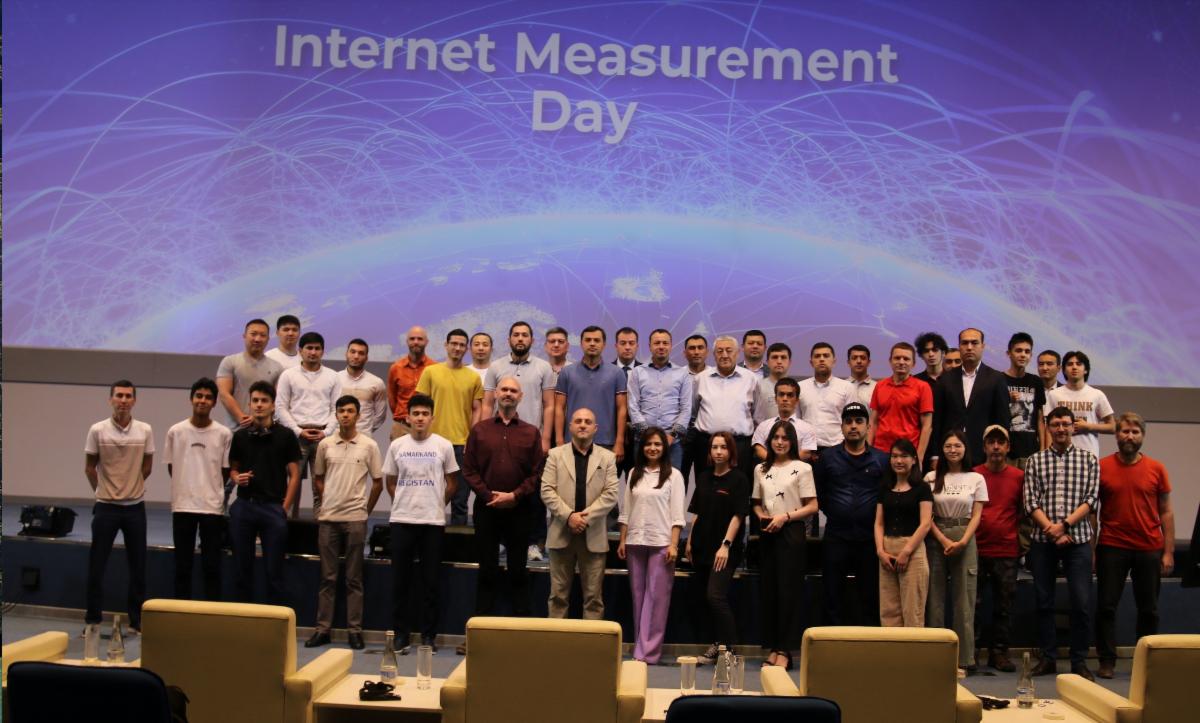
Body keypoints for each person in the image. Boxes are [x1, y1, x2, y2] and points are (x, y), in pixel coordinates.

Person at [462, 376, 547, 629]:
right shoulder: (480, 430)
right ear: (496, 394)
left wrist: (514, 496)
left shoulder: (531, 432)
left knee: (518, 570)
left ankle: (520, 630)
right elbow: (469, 469)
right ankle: (480, 630)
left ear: (521, 396)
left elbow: (537, 472)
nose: (508, 393)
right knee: (487, 570)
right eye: (504, 389)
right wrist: (489, 496)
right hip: (486, 509)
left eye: (513, 390)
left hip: (519, 510)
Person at [1095, 412, 1175, 679]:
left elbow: (1166, 511)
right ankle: (1107, 661)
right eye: (1125, 431)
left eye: (1135, 432)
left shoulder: (1157, 469)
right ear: (1117, 435)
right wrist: (1093, 549)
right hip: (1111, 545)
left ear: (1142, 436)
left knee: (1148, 609)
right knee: (1106, 607)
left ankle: (1146, 662)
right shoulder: (1102, 467)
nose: (1129, 436)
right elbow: (1092, 512)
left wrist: (1168, 552)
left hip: (1148, 547)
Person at [1024, 406, 1098, 680]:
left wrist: (1064, 526)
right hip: (1043, 541)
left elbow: (1091, 500)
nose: (1061, 429)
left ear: (1073, 426)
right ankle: (1048, 658)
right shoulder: (1035, 461)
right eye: (1055, 424)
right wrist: (1053, 530)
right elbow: (1030, 502)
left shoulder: (1089, 460)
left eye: (1066, 424)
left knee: (1081, 602)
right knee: (1044, 602)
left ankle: (1079, 661)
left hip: (1078, 540)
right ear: (1048, 427)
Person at [382, 393, 459, 653]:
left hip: (432, 522)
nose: (420, 418)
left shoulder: (443, 446)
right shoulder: (397, 446)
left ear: (432, 418)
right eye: (416, 413)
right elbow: (390, 481)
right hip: (402, 520)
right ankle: (401, 635)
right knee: (400, 582)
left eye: (425, 414)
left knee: (431, 583)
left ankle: (428, 636)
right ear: (407, 417)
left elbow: (452, 482)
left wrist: (438, 503)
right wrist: (402, 501)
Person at [306, 395, 384, 650]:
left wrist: (365, 510)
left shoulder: (369, 445)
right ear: (336, 415)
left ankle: (354, 631)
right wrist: (327, 498)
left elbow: (378, 483)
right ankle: (322, 629)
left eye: (350, 411)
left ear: (358, 415)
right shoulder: (325, 445)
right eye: (341, 411)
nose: (345, 415)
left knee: (354, 578)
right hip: (328, 519)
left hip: (355, 519)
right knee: (327, 578)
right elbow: (318, 478)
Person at [483, 322, 557, 561]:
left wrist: (546, 438)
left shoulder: (543, 367)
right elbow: (487, 404)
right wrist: (484, 435)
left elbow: (549, 405)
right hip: (500, 438)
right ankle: (502, 541)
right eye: (516, 335)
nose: (520, 339)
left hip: (531, 440)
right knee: (502, 489)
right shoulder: (496, 367)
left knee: (534, 493)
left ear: (532, 340)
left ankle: (534, 543)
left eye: (525, 335)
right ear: (509, 340)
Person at [84, 380, 154, 633]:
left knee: (138, 567)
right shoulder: (97, 430)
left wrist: (131, 485)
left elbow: (147, 466)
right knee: (97, 566)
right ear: (110, 399)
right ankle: (93, 620)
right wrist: (102, 491)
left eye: (128, 396)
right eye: (119, 396)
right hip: (106, 508)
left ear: (134, 400)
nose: (123, 400)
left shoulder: (145, 430)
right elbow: (89, 467)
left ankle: (136, 622)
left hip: (135, 508)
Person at [813, 402, 889, 624]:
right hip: (836, 536)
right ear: (842, 427)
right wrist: (838, 512)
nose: (853, 426)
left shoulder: (882, 460)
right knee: (831, 595)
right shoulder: (828, 458)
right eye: (848, 422)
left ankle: (869, 642)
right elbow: (819, 493)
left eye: (858, 421)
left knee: (870, 596)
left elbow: (886, 496)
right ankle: (831, 642)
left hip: (869, 539)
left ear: (868, 426)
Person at [541, 408, 619, 619]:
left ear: (595, 428)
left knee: (593, 599)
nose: (583, 425)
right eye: (578, 421)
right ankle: (557, 640)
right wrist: (569, 517)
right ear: (570, 426)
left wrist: (583, 519)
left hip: (593, 535)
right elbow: (546, 490)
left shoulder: (608, 458)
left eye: (587, 421)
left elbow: (611, 494)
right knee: (558, 597)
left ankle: (591, 641)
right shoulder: (555, 455)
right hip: (561, 532)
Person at [752, 422, 818, 669]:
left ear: (792, 441)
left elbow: (813, 506)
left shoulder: (802, 468)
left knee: (789, 592)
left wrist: (785, 517)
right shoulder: (761, 468)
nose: (780, 442)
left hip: (792, 531)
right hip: (768, 532)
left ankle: (785, 650)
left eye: (785, 438)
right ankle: (773, 647)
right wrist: (761, 516)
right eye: (776, 438)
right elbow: (756, 503)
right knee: (770, 591)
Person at [228, 381, 301, 605]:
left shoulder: (286, 436)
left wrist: (284, 508)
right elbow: (233, 469)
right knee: (241, 569)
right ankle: (242, 618)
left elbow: (294, 475)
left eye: (264, 401)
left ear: (272, 405)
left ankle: (274, 619)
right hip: (244, 506)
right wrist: (236, 478)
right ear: (249, 404)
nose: (259, 405)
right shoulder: (240, 436)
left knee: (274, 571)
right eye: (255, 401)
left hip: (273, 508)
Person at [617, 427, 686, 664]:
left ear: (664, 448)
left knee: (656, 599)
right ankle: (640, 646)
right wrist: (623, 539)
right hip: (635, 541)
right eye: (648, 444)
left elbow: (677, 515)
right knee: (638, 596)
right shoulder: (634, 473)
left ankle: (649, 652)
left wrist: (674, 544)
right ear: (642, 447)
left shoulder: (674, 475)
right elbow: (626, 510)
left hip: (661, 542)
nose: (653, 448)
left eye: (657, 444)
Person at [923, 429, 988, 676]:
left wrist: (963, 541)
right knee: (935, 599)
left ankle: (964, 659)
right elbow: (926, 515)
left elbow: (977, 515)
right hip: (936, 536)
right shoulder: (931, 477)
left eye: (957, 446)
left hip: (965, 536)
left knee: (964, 600)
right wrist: (941, 538)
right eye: (948, 446)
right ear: (942, 449)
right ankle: (935, 657)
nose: (953, 450)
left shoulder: (976, 478)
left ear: (965, 449)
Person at [164, 378, 231, 601]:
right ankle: (181, 612)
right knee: (182, 565)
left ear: (214, 403)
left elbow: (224, 471)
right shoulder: (176, 431)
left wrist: (208, 488)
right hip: (183, 505)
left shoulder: (223, 434)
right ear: (191, 399)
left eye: (208, 397)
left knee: (212, 566)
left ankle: (211, 613)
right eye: (199, 396)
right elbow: (172, 467)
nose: (202, 401)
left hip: (212, 508)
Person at [686, 432, 750, 664]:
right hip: (701, 547)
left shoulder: (739, 479)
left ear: (731, 451)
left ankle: (729, 650)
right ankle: (717, 644)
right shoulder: (703, 477)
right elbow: (696, 513)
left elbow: (738, 516)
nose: (719, 451)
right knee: (706, 599)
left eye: (723, 447)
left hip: (725, 550)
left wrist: (726, 545)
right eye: (714, 447)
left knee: (715, 596)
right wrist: (690, 541)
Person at [415, 328, 484, 526]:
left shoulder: (473, 377)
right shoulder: (431, 372)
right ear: (446, 345)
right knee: (428, 495)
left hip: (461, 445)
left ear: (466, 349)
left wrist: (472, 438)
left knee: (460, 499)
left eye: (462, 345)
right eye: (454, 343)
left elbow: (477, 409)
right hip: (432, 443)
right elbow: (420, 407)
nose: (457, 348)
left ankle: (457, 542)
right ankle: (426, 537)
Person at [973, 425, 1024, 672]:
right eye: (991, 442)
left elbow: (1025, 512)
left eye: (1000, 442)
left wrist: (1022, 543)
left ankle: (999, 653)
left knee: (1004, 607)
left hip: (1006, 551)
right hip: (975, 551)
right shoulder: (973, 475)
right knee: (973, 605)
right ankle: (971, 652)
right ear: (984, 447)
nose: (995, 447)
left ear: (1008, 447)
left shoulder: (1018, 476)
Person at [276, 331, 341, 518]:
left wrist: (326, 432)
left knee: (321, 484)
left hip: (323, 437)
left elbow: (336, 408)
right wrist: (297, 431)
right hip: (295, 436)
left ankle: (321, 526)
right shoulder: (288, 375)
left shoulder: (333, 376)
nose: (313, 352)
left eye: (317, 348)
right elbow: (280, 407)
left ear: (323, 351)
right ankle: (285, 523)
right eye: (309, 348)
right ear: (300, 351)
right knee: (290, 483)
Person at [874, 438, 933, 627]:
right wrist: (880, 551)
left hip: (912, 550)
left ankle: (913, 649)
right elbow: (879, 523)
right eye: (895, 456)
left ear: (914, 459)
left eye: (904, 456)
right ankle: (891, 648)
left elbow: (925, 524)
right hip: (887, 549)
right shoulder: (885, 487)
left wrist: (906, 552)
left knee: (912, 611)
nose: (899, 461)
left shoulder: (922, 488)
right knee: (888, 611)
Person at [932, 328, 1010, 467]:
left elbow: (1002, 420)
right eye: (965, 343)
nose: (969, 347)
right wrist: (935, 454)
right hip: (949, 453)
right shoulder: (945, 379)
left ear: (983, 346)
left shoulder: (996, 378)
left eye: (974, 343)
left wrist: (998, 452)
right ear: (959, 346)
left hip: (983, 454)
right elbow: (937, 420)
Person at [554, 326, 628, 464]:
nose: (592, 343)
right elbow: (559, 408)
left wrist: (619, 442)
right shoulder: (567, 372)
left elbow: (622, 409)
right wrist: (559, 440)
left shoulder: (617, 373)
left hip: (606, 442)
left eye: (596, 340)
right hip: (572, 441)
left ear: (604, 344)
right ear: (581, 343)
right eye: (588, 340)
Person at [691, 335, 758, 479]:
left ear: (737, 353)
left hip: (740, 445)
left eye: (729, 350)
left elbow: (756, 412)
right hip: (707, 444)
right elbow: (694, 411)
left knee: (739, 485)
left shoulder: (751, 379)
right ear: (714, 354)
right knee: (705, 485)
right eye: (720, 351)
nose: (725, 355)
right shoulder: (700, 379)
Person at [627, 328, 693, 470]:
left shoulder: (682, 374)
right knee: (641, 481)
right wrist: (649, 437)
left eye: (665, 343)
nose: (661, 346)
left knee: (672, 481)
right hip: (643, 441)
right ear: (650, 346)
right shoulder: (637, 372)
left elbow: (686, 408)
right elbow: (633, 406)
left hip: (672, 443)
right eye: (657, 343)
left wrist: (672, 436)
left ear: (671, 346)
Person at [868, 342, 933, 464]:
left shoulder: (923, 387)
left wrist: (919, 457)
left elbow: (927, 426)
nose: (901, 362)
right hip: (879, 451)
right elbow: (873, 422)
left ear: (913, 364)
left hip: (907, 452)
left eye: (906, 359)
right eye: (897, 358)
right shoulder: (880, 386)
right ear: (890, 361)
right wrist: (867, 451)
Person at [1043, 350, 1114, 457]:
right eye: (1070, 364)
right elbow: (1048, 427)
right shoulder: (1054, 394)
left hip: (1089, 454)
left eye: (1079, 364)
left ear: (1086, 370)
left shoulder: (1097, 394)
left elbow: (1112, 427)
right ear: (1064, 370)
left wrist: (1089, 426)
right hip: (1059, 454)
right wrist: (1048, 453)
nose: (1074, 367)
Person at [216, 318, 284, 429]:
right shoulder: (229, 361)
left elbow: (278, 399)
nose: (257, 339)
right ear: (244, 336)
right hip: (234, 429)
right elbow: (224, 394)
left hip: (265, 430)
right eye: (253, 334)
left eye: (262, 335)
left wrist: (256, 418)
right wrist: (241, 417)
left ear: (268, 339)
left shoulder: (277, 367)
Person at [798, 342, 857, 451]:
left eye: (826, 356)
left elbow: (852, 421)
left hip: (837, 449)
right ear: (811, 362)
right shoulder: (800, 387)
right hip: (806, 449)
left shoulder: (847, 387)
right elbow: (796, 420)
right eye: (817, 356)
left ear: (834, 361)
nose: (821, 359)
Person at [1002, 333, 1046, 467]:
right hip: (1005, 451)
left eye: (1027, 352)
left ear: (1031, 356)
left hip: (1030, 450)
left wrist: (1042, 448)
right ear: (1009, 353)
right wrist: (1006, 398)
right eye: (1018, 350)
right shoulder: (998, 379)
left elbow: (1040, 418)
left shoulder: (1036, 381)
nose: (1023, 355)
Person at [386, 326, 436, 440]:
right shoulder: (396, 368)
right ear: (407, 342)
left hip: (427, 427)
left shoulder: (435, 368)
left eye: (420, 339)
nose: (416, 342)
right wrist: (404, 416)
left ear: (427, 342)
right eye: (412, 339)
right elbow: (392, 399)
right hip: (402, 426)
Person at [751, 377, 817, 462]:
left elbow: (806, 452)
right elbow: (758, 448)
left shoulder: (807, 428)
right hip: (769, 468)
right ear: (776, 399)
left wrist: (785, 465)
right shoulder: (763, 426)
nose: (785, 399)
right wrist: (775, 464)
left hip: (796, 469)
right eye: (781, 394)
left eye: (790, 395)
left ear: (797, 400)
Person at [679, 334, 712, 487]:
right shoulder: (677, 374)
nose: (696, 352)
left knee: (705, 480)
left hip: (706, 434)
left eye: (700, 348)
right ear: (684, 353)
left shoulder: (714, 375)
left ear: (707, 351)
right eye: (692, 348)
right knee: (679, 479)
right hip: (682, 433)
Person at [337, 338, 388, 435]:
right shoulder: (335, 379)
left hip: (364, 437)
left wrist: (366, 429)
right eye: (353, 352)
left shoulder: (377, 383)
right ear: (346, 354)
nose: (356, 356)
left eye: (361, 353)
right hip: (337, 435)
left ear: (366, 358)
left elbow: (380, 415)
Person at [613, 327, 643, 478]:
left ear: (637, 346)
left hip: (639, 435)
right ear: (616, 345)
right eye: (623, 343)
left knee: (637, 483)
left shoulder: (646, 371)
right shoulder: (605, 370)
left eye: (631, 343)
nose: (627, 347)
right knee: (608, 484)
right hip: (611, 436)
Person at [753, 342, 792, 424]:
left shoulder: (797, 387)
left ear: (790, 362)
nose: (779, 361)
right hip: (764, 430)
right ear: (767, 362)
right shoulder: (758, 386)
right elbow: (754, 416)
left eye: (783, 357)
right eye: (775, 357)